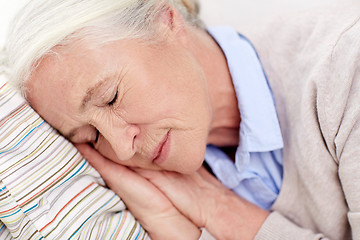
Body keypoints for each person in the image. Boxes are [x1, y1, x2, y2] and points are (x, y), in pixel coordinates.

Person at [2, 0, 360, 239]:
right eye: (91, 136)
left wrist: (220, 211)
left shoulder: (344, 67)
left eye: (110, 98)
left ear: (166, 19)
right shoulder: (163, 189)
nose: (123, 149)